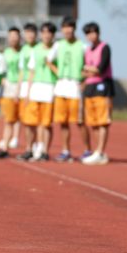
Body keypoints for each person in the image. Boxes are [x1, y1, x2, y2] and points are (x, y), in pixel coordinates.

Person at [48, 17, 86, 162]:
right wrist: (58, 72)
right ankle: (65, 150)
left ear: (74, 29)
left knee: (79, 121)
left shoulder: (82, 46)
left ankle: (87, 149)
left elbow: (88, 64)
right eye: (64, 27)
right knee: (62, 122)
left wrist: (84, 79)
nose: (67, 30)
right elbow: (48, 60)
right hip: (61, 85)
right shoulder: (58, 45)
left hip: (75, 86)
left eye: (70, 27)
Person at [23, 22, 57, 162]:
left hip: (50, 88)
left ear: (53, 35)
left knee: (46, 123)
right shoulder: (35, 49)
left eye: (49, 32)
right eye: (44, 32)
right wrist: (28, 92)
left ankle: (44, 150)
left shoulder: (56, 49)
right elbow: (31, 71)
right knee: (30, 122)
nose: (46, 35)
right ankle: (29, 148)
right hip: (36, 88)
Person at [81, 22, 113, 166]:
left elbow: (101, 68)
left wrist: (89, 69)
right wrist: (89, 70)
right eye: (88, 33)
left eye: (93, 32)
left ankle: (100, 151)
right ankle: (97, 151)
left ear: (98, 33)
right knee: (93, 122)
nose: (91, 36)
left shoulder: (104, 47)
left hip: (103, 86)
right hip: (90, 87)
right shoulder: (87, 50)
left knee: (103, 122)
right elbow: (83, 70)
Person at [0, 27, 23, 154]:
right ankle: (6, 143)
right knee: (9, 116)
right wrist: (3, 81)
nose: (13, 38)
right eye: (11, 36)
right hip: (9, 86)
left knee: (22, 116)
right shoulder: (5, 53)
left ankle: (16, 138)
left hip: (22, 86)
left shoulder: (24, 52)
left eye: (15, 36)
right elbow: (1, 72)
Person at [15, 23, 39, 160]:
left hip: (37, 87)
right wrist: (18, 90)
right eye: (27, 32)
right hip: (24, 88)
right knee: (26, 121)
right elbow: (21, 71)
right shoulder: (23, 49)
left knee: (36, 121)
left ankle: (37, 147)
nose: (29, 35)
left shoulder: (39, 48)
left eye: (32, 32)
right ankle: (29, 147)